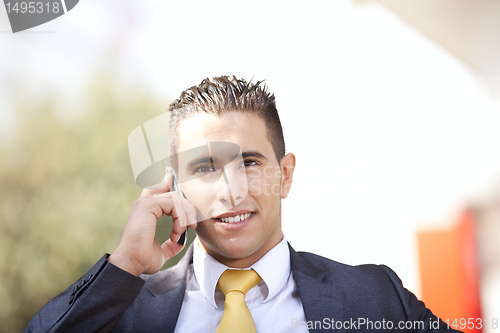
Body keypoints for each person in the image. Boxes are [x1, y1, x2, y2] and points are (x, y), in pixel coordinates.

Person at [24, 76, 461, 333]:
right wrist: (122, 266)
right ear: (173, 188)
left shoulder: (375, 298)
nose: (231, 192)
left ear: (284, 175)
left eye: (249, 162)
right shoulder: (125, 310)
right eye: (206, 168)